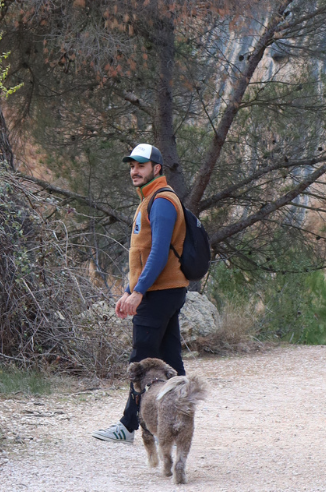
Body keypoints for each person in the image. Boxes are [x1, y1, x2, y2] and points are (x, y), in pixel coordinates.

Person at [92, 142, 188, 443]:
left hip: (158, 293)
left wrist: (139, 292)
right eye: (132, 165)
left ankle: (128, 426)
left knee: (141, 361)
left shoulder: (160, 201)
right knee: (171, 359)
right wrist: (129, 289)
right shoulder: (150, 199)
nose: (134, 170)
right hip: (164, 291)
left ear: (156, 169)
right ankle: (181, 422)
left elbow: (158, 253)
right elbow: (144, 253)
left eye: (141, 166)